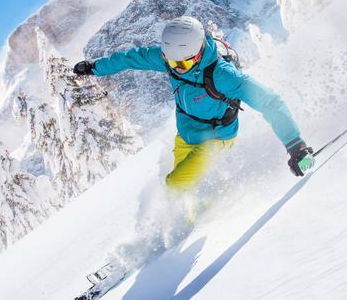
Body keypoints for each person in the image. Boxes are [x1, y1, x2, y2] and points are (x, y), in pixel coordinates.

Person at [73, 16, 314, 191]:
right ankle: (189, 220)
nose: (177, 68)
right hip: (186, 134)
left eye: (184, 64)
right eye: (171, 62)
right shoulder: (172, 59)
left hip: (216, 139)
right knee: (182, 189)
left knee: (175, 183)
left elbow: (270, 102)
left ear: (198, 53)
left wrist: (295, 146)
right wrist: (95, 67)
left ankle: (187, 223)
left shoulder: (222, 75)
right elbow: (131, 58)